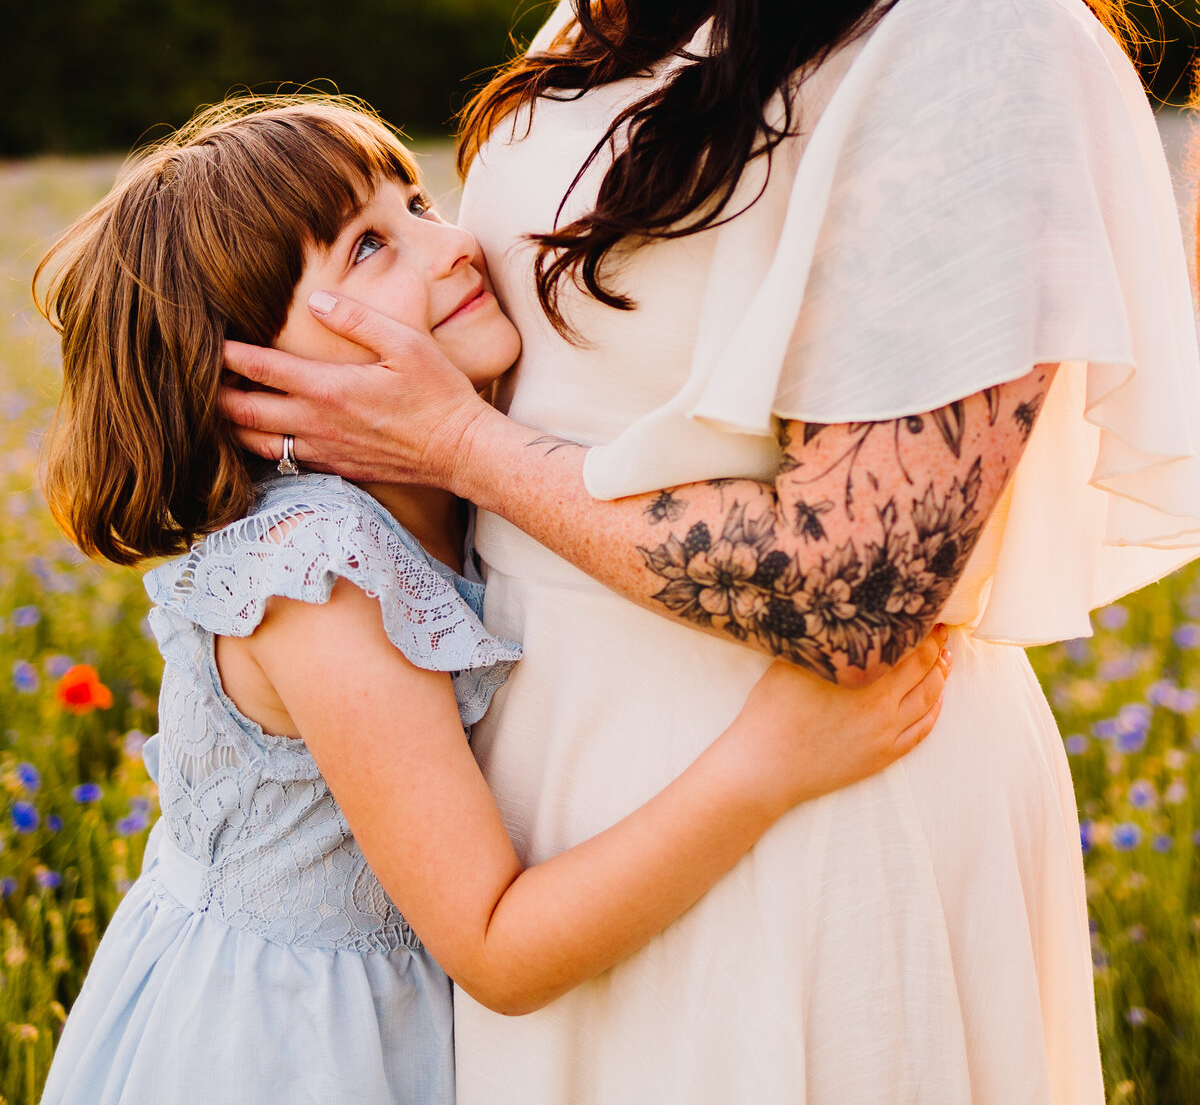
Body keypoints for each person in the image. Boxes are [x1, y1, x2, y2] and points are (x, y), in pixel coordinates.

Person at [220, 0, 1200, 1102]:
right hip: (560, 805)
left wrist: (458, 449)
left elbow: (857, 587)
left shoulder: (971, 45)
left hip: (808, 806)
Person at [33, 97, 950, 1105]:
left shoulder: (444, 492)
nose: (452, 245)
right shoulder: (322, 577)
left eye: (418, 201)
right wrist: (770, 761)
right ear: (249, 379)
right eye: (368, 247)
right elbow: (497, 948)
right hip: (284, 1054)